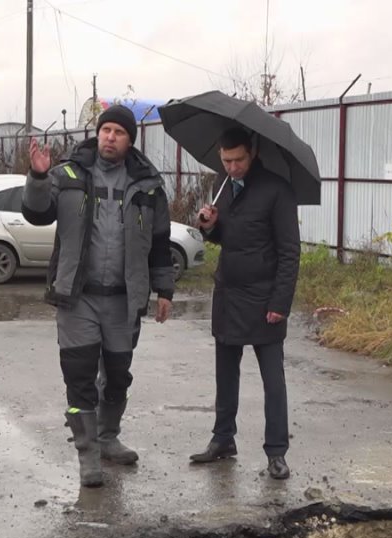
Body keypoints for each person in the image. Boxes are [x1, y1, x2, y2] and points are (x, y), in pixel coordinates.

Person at [22, 105, 175, 488]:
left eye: (118, 132)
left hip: (124, 301)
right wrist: (38, 177)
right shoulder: (69, 174)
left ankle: (108, 438)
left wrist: (165, 290)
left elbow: (159, 242)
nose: (110, 137)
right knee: (80, 378)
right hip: (78, 298)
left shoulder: (148, 185)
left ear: (129, 140)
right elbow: (36, 214)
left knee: (119, 376)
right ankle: (88, 454)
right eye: (106, 130)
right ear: (98, 133)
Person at [190, 127, 300, 480]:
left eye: (238, 160)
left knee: (273, 380)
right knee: (225, 374)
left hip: (265, 298)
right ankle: (223, 439)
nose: (233, 167)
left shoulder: (277, 190)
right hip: (229, 294)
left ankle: (276, 452)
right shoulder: (222, 185)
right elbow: (227, 237)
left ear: (252, 153)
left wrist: (280, 302)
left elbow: (290, 252)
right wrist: (210, 226)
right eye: (226, 161)